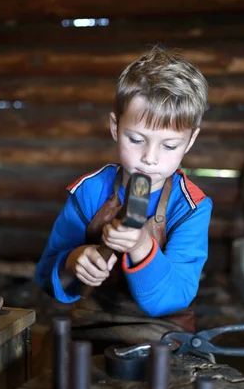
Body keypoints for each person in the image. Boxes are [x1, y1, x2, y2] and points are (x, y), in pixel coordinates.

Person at [36, 46, 212, 348]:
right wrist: (72, 261)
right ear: (116, 127)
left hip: (164, 335)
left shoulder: (191, 206)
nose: (150, 159)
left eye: (169, 146)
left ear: (191, 140)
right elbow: (45, 275)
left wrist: (142, 246)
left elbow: (170, 299)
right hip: (89, 326)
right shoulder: (89, 192)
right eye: (136, 139)